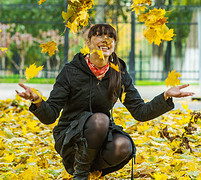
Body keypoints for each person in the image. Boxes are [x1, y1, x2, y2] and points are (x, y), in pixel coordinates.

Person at [16, 23, 195, 180]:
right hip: (70, 137)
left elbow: (140, 111)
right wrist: (37, 100)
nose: (106, 39)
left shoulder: (118, 73)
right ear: (88, 43)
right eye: (99, 35)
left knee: (123, 146)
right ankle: (80, 175)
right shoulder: (71, 71)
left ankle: (86, 170)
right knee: (100, 119)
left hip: (99, 137)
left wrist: (165, 96)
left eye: (110, 37)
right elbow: (50, 115)